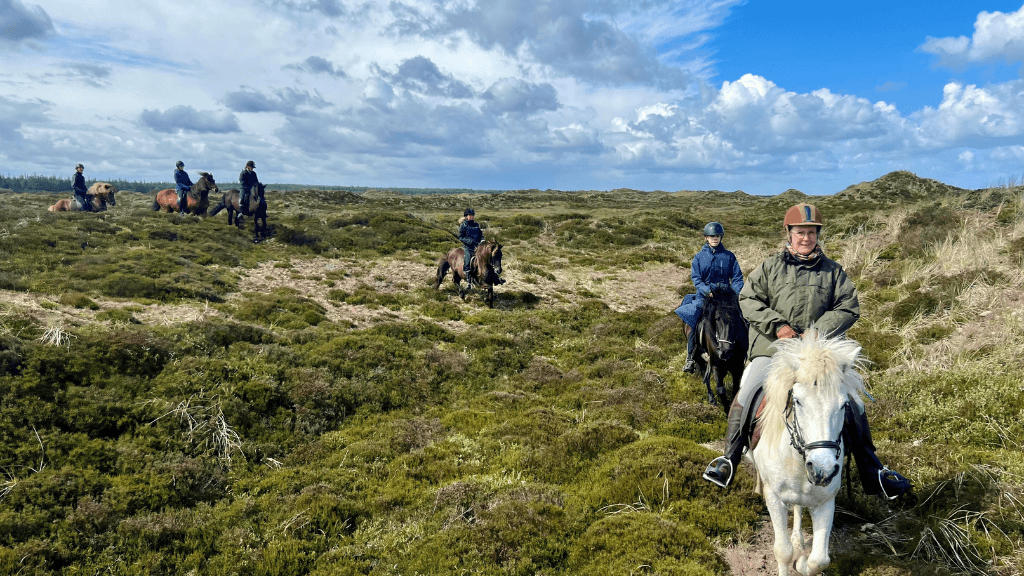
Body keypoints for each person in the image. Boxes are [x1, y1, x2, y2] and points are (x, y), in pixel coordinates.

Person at [701, 203, 912, 500]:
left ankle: (872, 470)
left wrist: (819, 329)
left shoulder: (833, 271)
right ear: (789, 233)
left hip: (819, 353)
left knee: (852, 400)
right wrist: (777, 326)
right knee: (747, 391)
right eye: (800, 231)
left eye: (811, 232)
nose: (806, 238)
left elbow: (848, 307)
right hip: (773, 349)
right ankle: (729, 460)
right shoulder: (770, 267)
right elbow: (748, 299)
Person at [675, 222, 744, 373]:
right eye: (712, 236)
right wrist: (707, 291)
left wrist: (733, 293)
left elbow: (738, 278)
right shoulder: (699, 257)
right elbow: (697, 279)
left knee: (743, 318)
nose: (715, 238)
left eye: (717, 236)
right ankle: (691, 357)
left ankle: (746, 352)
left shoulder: (729, 256)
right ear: (706, 237)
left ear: (721, 237)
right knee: (694, 319)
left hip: (725, 297)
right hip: (705, 296)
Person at [458, 208, 484, 286]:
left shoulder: (476, 224)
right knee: (467, 262)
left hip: (478, 246)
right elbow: (461, 237)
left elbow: (480, 234)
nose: (472, 217)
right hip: (468, 247)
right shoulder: (463, 225)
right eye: (470, 215)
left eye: (473, 215)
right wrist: (470, 241)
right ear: (466, 216)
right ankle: (468, 280)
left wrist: (482, 240)